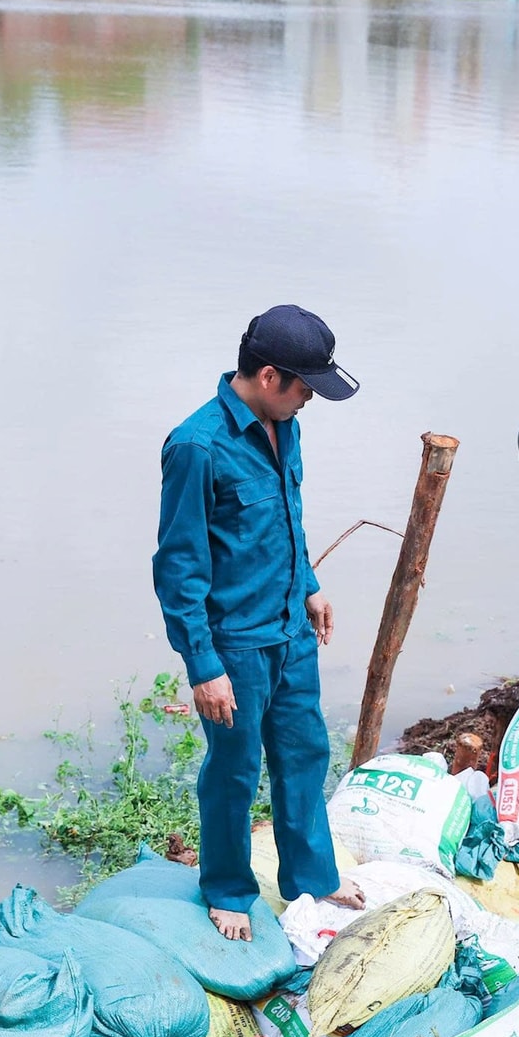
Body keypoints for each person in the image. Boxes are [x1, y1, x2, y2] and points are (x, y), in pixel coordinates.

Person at [153, 305, 365, 942]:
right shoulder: (196, 447)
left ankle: (312, 877)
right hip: (237, 645)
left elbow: (285, 519)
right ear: (269, 376)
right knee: (234, 769)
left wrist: (310, 587)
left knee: (304, 752)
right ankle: (227, 888)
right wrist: (203, 666)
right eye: (305, 387)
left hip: (290, 630)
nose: (310, 400)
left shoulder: (285, 425)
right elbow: (179, 567)